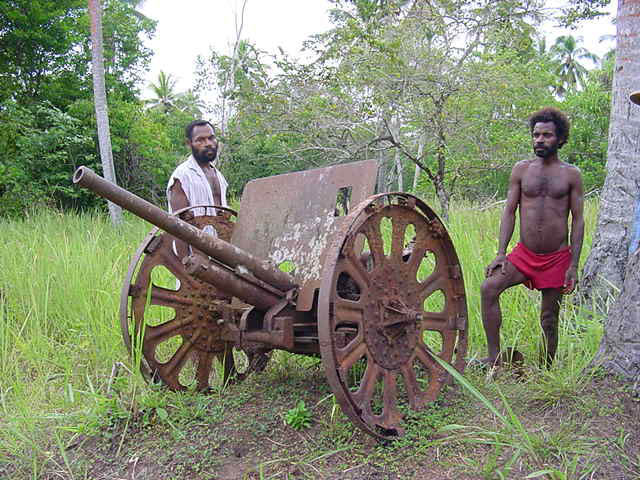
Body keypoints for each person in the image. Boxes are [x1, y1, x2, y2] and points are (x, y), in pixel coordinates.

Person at [480, 107, 585, 369]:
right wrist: (501, 252)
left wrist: (573, 264)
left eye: (547, 135)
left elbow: (579, 220)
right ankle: (494, 359)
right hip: (524, 255)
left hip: (557, 257)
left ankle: (545, 368)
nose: (539, 140)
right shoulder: (521, 170)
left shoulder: (571, 175)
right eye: (536, 134)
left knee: (549, 317)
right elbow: (509, 211)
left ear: (560, 139)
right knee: (488, 288)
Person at [166, 120, 229, 258]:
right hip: (196, 260)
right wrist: (186, 272)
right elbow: (178, 226)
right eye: (200, 140)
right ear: (189, 144)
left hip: (222, 256)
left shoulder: (219, 176)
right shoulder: (182, 177)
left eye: (211, 138)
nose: (208, 143)